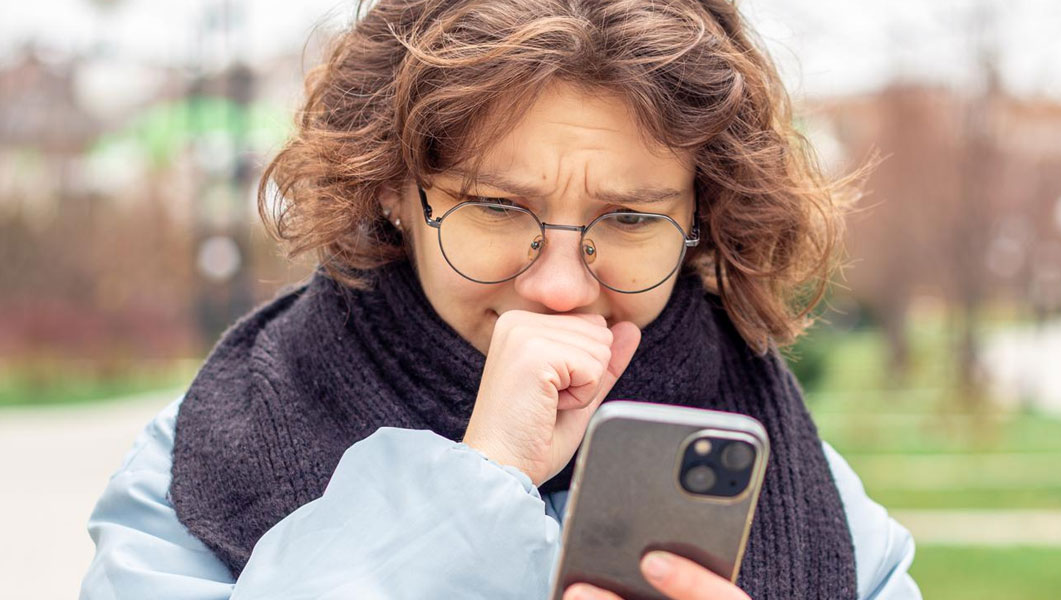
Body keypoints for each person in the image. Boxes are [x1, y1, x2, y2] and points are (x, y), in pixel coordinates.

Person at [80, 1, 921, 598]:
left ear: (705, 215)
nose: (559, 288)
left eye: (630, 218)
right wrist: (479, 481)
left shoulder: (807, 490)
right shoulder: (204, 463)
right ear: (393, 193)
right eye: (494, 206)